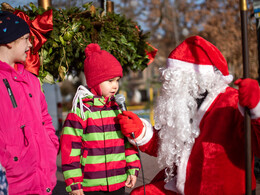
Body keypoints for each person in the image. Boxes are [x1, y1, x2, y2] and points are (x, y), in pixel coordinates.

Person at [117, 35, 260, 194]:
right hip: (183, 186)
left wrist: (256, 110)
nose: (169, 87)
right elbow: (168, 147)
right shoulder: (181, 106)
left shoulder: (232, 102)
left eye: (175, 80)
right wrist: (141, 132)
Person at [60, 43, 141, 195]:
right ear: (96, 81)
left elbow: (128, 143)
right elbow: (70, 148)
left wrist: (132, 167)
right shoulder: (81, 111)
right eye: (110, 81)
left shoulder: (117, 109)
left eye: (117, 80)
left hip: (118, 182)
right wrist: (74, 182)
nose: (115, 86)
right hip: (90, 184)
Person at [0, 11, 59, 194]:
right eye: (25, 38)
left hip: (43, 178)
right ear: (9, 41)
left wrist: (51, 143)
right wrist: (9, 159)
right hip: (14, 183)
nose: (30, 44)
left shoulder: (31, 80)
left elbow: (45, 118)